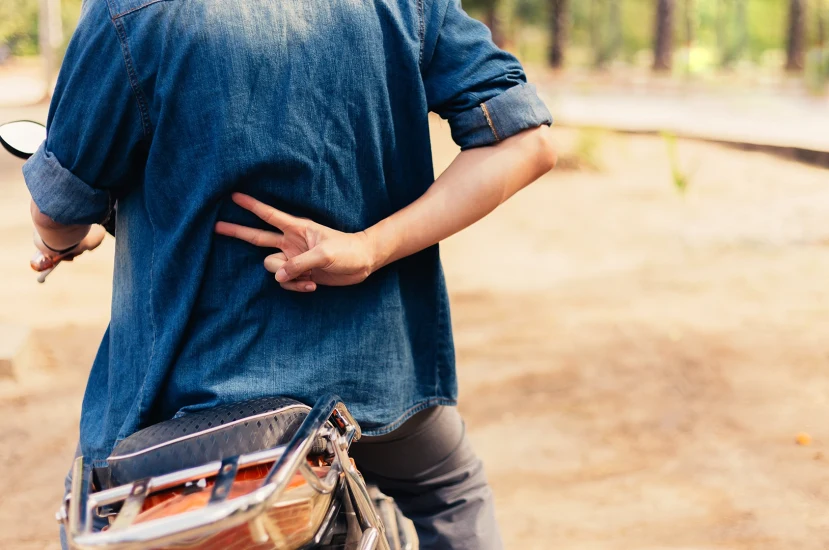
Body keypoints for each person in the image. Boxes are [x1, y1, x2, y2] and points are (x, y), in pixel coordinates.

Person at [23, 0, 556, 548]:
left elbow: (60, 207)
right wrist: (369, 247)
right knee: (453, 492)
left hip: (200, 406)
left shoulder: (131, 11)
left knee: (99, 517)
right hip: (378, 386)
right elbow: (526, 139)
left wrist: (63, 238)